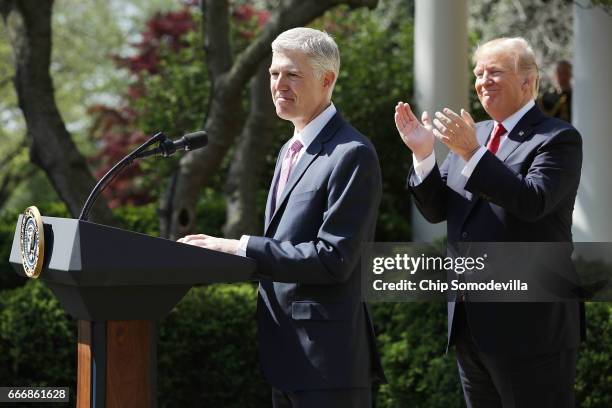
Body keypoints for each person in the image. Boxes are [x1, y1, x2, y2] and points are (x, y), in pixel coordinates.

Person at [179, 27, 385, 408]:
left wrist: (239, 247)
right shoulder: (289, 150)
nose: (279, 84)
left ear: (327, 80)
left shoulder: (352, 153)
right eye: (274, 74)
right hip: (286, 358)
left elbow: (333, 259)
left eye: (292, 74)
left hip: (328, 364)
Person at [394, 37, 584, 407]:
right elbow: (439, 211)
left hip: (532, 329)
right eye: (478, 74)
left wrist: (471, 153)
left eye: (495, 72)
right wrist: (423, 156)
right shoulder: (475, 133)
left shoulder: (557, 139)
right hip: (470, 324)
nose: (483, 82)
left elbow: (532, 202)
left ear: (529, 82)